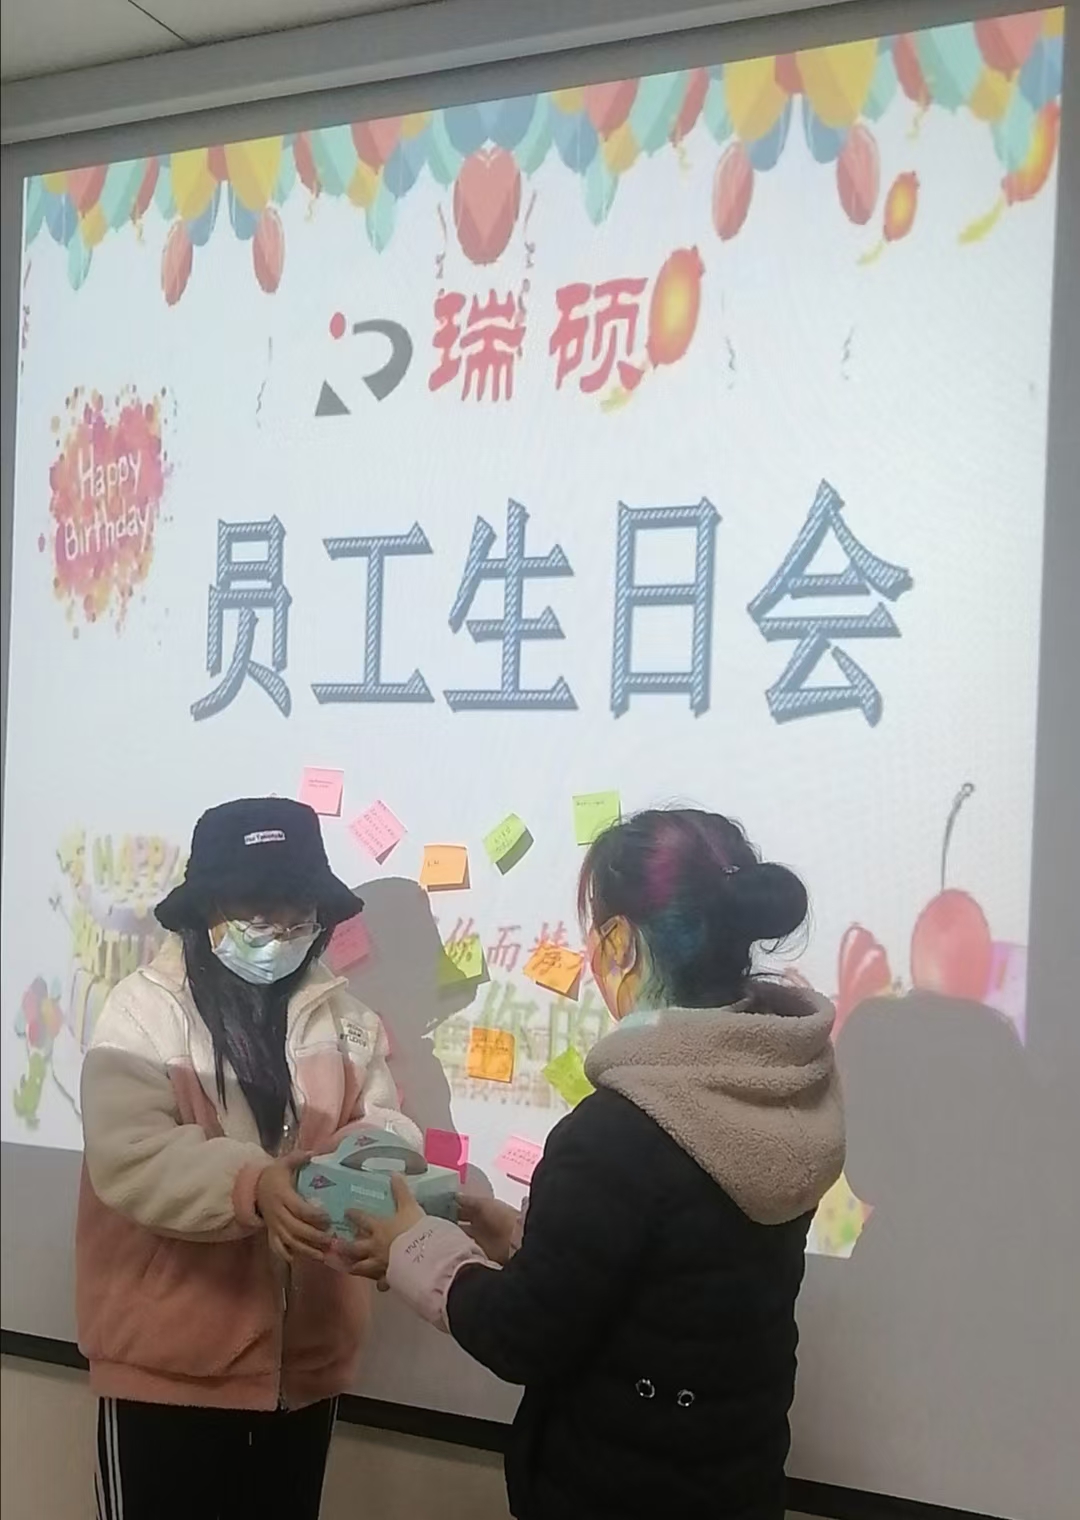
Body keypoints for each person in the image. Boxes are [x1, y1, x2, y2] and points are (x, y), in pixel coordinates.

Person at [345, 808, 845, 1520]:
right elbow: (679, 1268)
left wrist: (414, 1246)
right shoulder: (785, 1091)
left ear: (618, 943)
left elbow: (523, 1335)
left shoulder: (619, 1129)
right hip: (736, 1479)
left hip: (614, 1489)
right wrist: (527, 1238)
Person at [76, 797, 421, 1520]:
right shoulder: (142, 1012)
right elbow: (130, 1156)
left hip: (304, 1374)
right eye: (255, 910)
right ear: (206, 911)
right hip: (169, 1371)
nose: (280, 928)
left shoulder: (349, 1022)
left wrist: (367, 1175)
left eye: (298, 912)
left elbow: (385, 1130)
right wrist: (254, 1186)